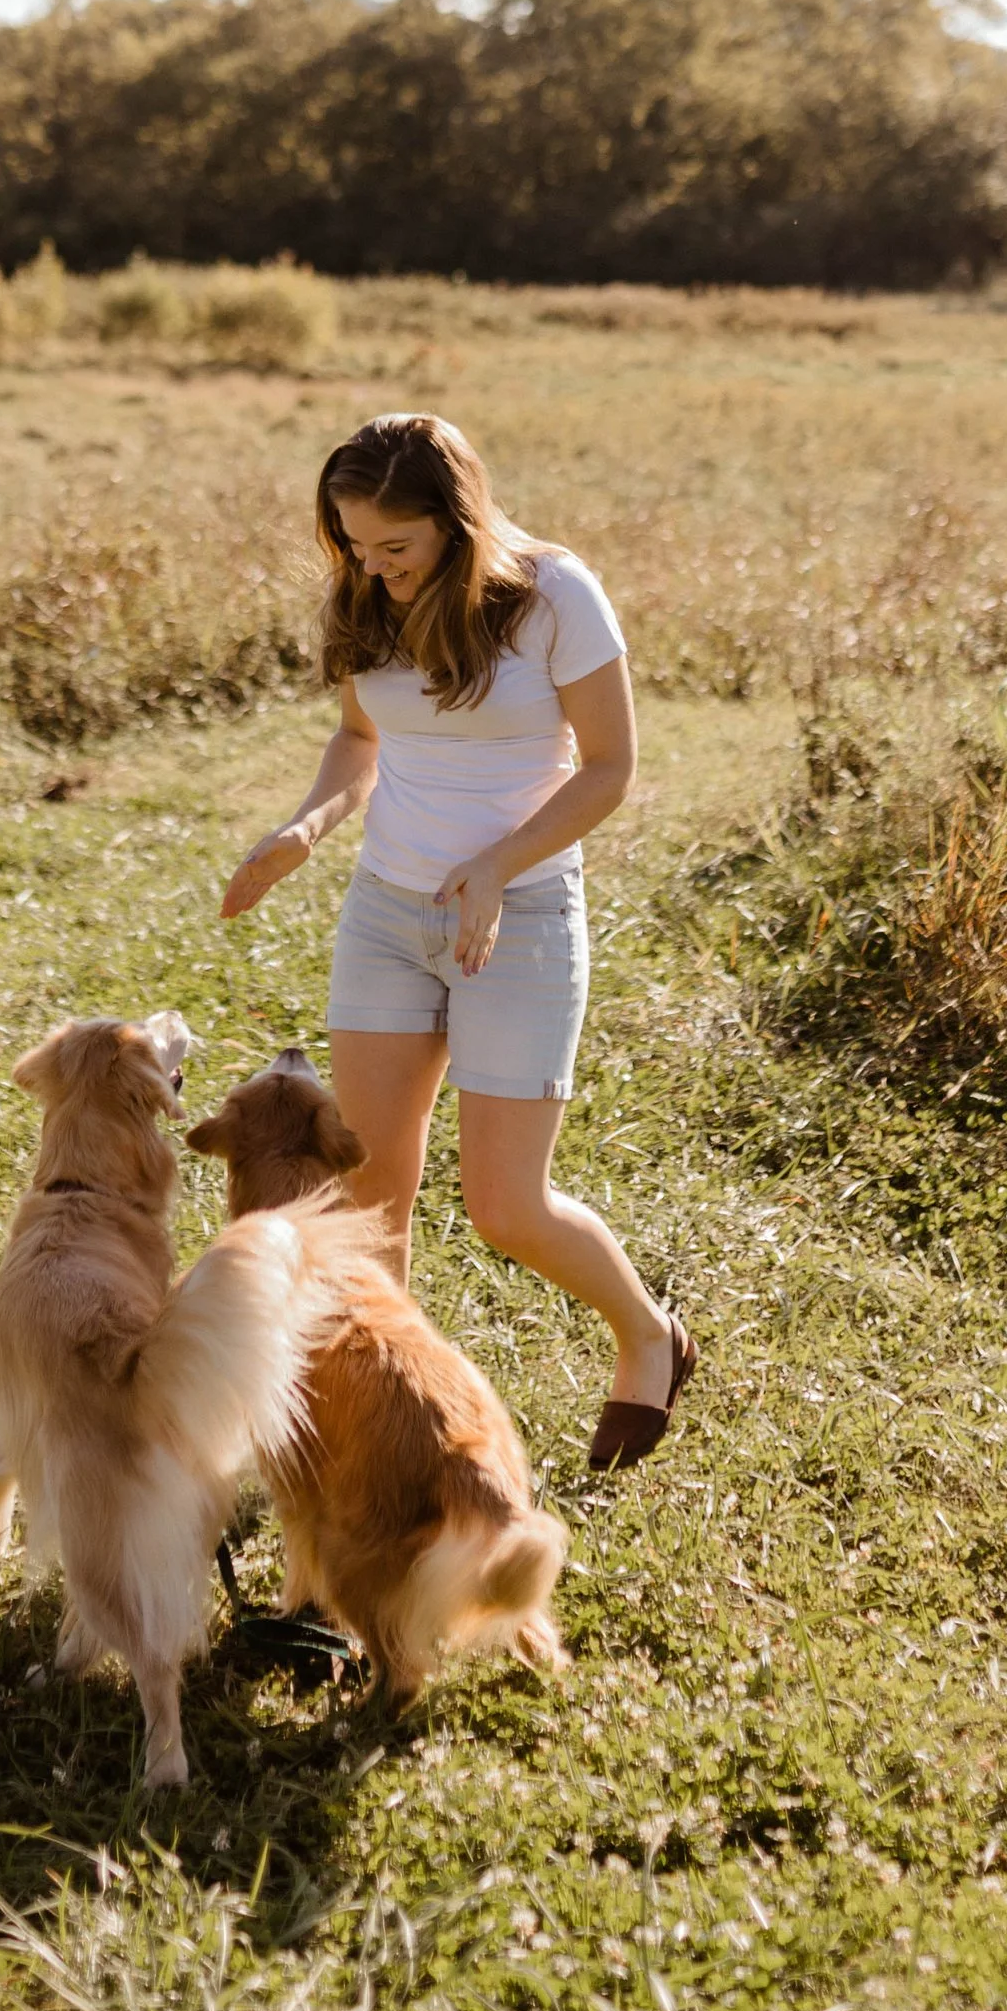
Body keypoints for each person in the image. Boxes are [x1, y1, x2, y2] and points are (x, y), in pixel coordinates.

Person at [219, 410, 697, 1469]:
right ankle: (381, 1430)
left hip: (514, 921)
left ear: (456, 519)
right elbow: (359, 737)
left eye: (395, 546)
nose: (370, 567)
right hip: (386, 916)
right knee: (365, 1204)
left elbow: (610, 767)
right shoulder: (363, 592)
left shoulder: (552, 594)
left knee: (506, 1208)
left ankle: (648, 1335)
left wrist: (497, 864)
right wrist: (307, 826)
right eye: (351, 544)